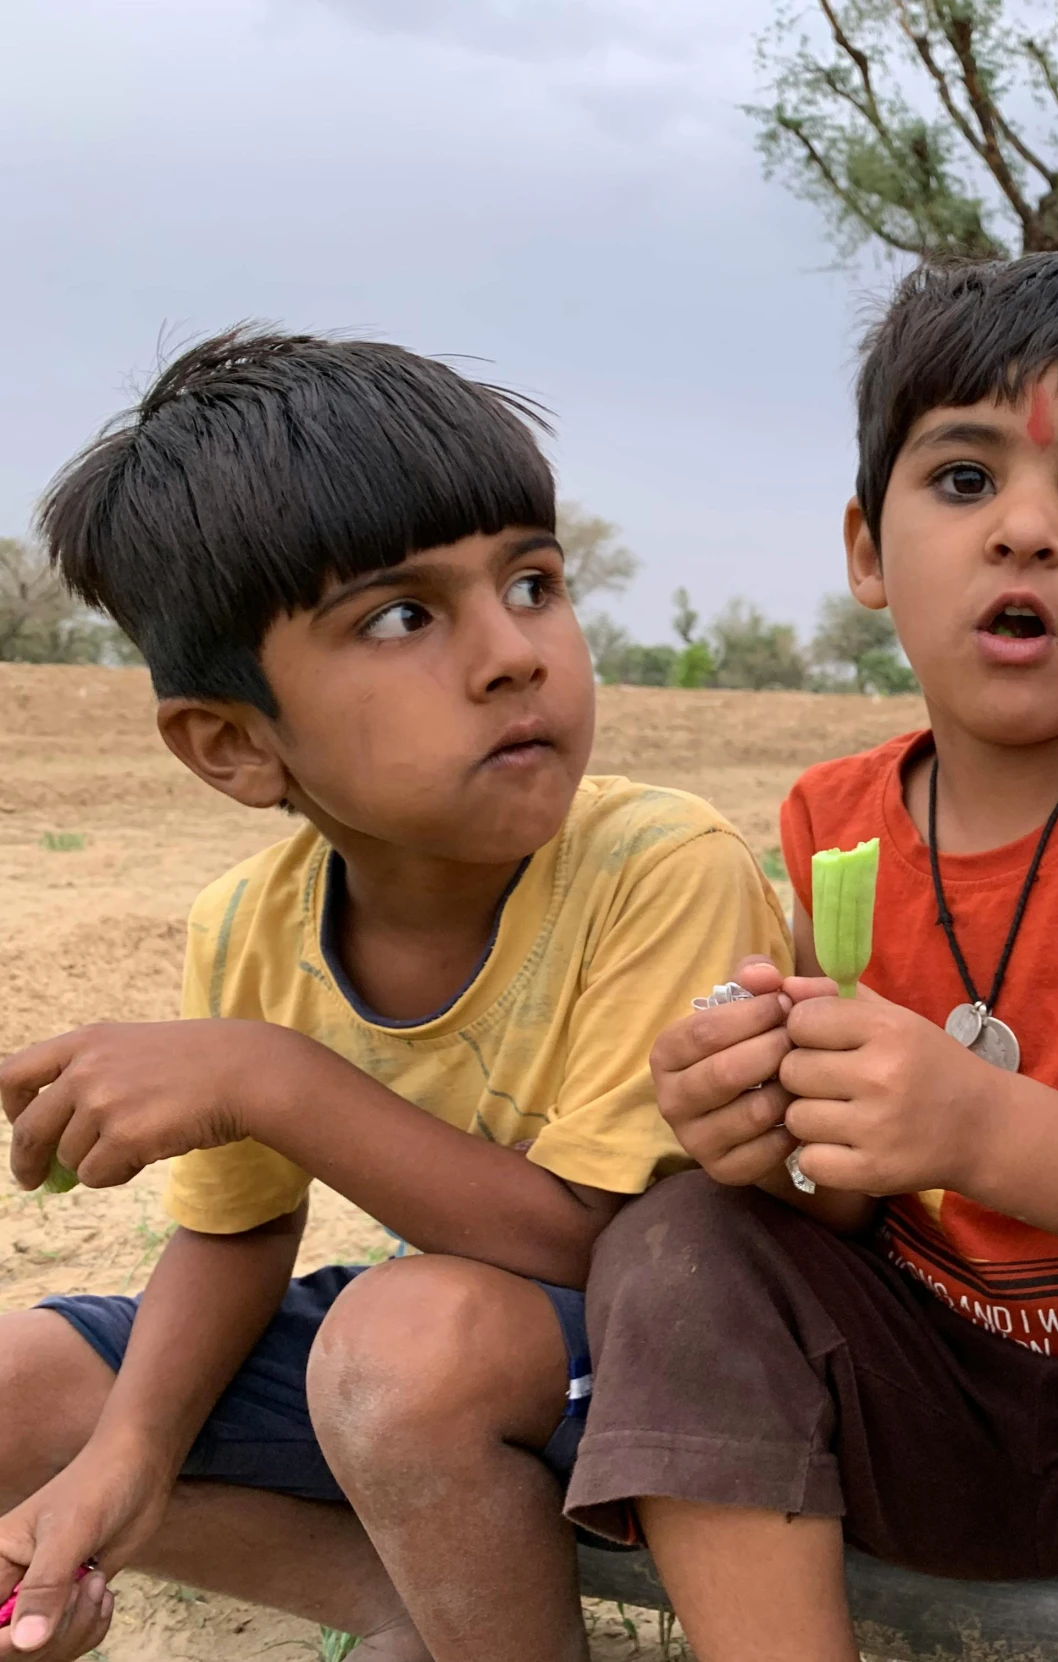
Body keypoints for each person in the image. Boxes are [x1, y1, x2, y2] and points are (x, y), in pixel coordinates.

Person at [565, 253, 1058, 1662]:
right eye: (965, 480)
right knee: (678, 1239)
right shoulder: (832, 820)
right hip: (915, 1408)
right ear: (868, 549)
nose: (1027, 532)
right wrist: (772, 1138)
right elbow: (843, 1210)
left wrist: (975, 1121)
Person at [0, 332, 791, 1662]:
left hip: (686, 1368)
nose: (512, 653)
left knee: (398, 1348)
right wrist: (121, 1462)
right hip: (459, 1341)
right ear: (236, 744)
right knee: (27, 1388)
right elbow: (238, 1232)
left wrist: (268, 1075)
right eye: (403, 616)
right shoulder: (249, 924)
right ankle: (401, 1604)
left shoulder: (662, 865)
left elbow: (602, 1249)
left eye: (533, 582)